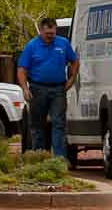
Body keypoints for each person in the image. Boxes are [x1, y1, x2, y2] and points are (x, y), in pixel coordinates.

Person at [15, 15, 78, 156]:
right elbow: (21, 69)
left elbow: (74, 61)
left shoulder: (63, 43)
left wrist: (72, 78)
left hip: (58, 89)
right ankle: (40, 156)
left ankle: (59, 158)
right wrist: (25, 89)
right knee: (37, 125)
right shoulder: (31, 46)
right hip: (37, 89)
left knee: (58, 123)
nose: (50, 36)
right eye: (48, 34)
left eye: (53, 33)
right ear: (41, 31)